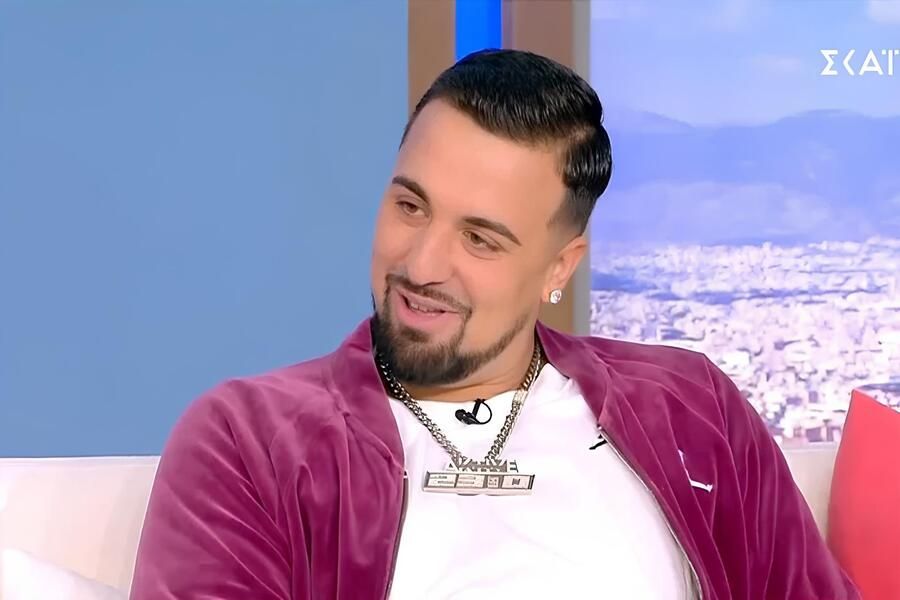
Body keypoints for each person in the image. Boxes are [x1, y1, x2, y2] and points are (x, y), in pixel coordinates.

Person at [130, 49, 859, 599]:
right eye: (409, 206)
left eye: (480, 239)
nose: (421, 264)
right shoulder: (251, 440)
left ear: (558, 267)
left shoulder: (690, 408)